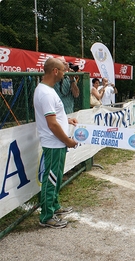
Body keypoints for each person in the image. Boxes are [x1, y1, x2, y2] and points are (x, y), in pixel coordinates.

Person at [33, 58, 78, 228]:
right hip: (54, 143)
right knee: (50, 179)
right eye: (63, 71)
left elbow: (54, 118)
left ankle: (55, 206)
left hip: (57, 143)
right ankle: (46, 216)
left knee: (57, 176)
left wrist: (67, 120)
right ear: (55, 71)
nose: (65, 74)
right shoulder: (45, 92)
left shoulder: (48, 91)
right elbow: (51, 124)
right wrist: (67, 141)